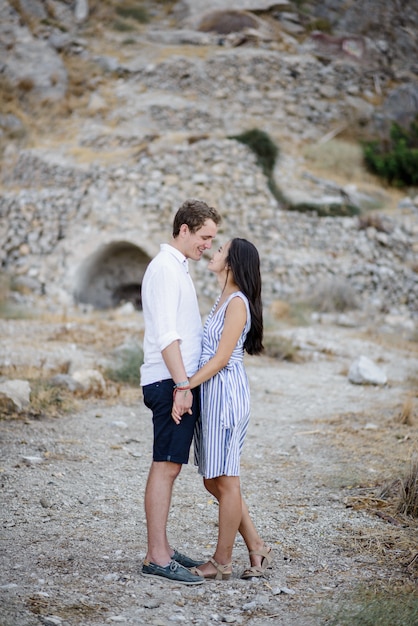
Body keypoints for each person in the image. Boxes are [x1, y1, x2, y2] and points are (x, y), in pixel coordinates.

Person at [172, 238, 273, 580]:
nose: (213, 252)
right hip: (213, 395)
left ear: (231, 263)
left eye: (220, 250)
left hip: (226, 396)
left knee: (226, 481)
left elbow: (220, 358)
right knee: (214, 481)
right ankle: (257, 545)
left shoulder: (237, 303)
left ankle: (221, 562)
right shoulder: (223, 300)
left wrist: (185, 385)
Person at [140, 199, 221, 585]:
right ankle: (157, 556)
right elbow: (166, 336)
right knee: (166, 464)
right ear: (184, 229)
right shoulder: (164, 270)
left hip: (175, 380)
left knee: (169, 464)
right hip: (169, 381)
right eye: (205, 236)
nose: (208, 244)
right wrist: (182, 385)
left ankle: (165, 549)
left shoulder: (176, 268)